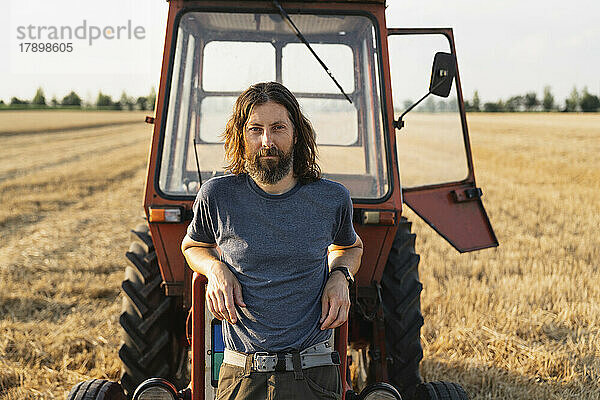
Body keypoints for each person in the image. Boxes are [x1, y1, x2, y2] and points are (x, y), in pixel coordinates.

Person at [181, 81, 363, 400]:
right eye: (256, 129)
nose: (267, 141)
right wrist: (214, 269)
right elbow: (193, 245)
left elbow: (350, 247)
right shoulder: (217, 196)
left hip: (314, 374)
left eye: (278, 128)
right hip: (241, 375)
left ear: (296, 134)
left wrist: (340, 275)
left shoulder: (332, 198)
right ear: (242, 136)